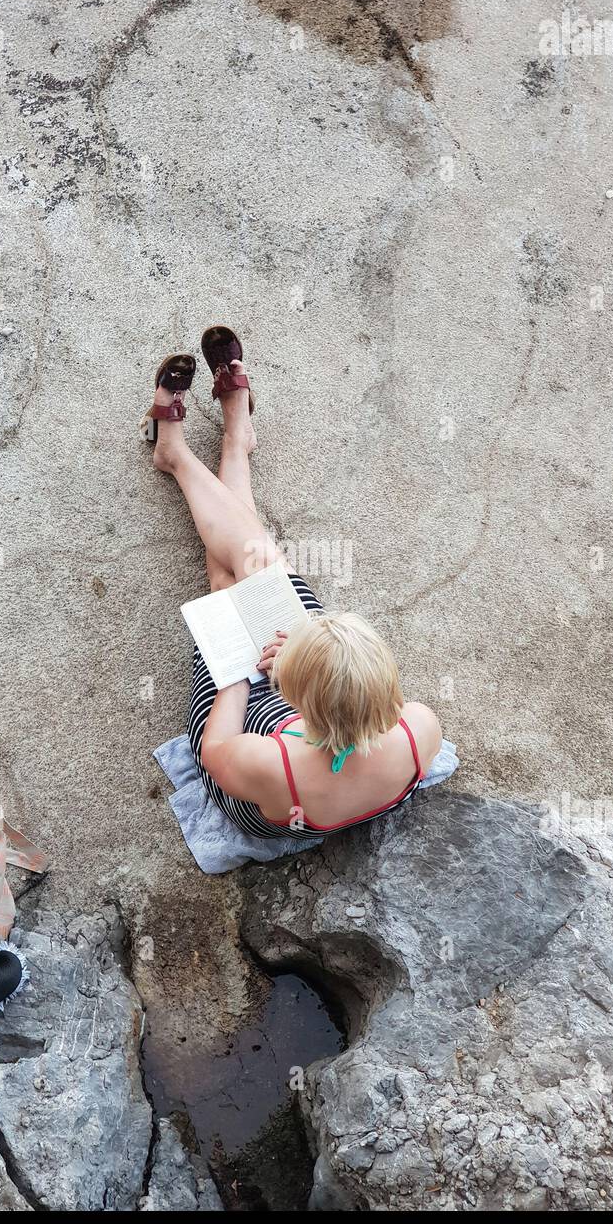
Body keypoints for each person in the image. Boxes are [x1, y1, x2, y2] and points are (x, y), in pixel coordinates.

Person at [143, 325, 442, 840]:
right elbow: (356, 704)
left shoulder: (274, 764)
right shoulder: (416, 728)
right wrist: (298, 655)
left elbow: (216, 753)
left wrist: (235, 668)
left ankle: (182, 451)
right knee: (252, 563)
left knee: (230, 584)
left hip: (259, 783)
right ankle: (229, 443)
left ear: (297, 697)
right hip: (321, 732)